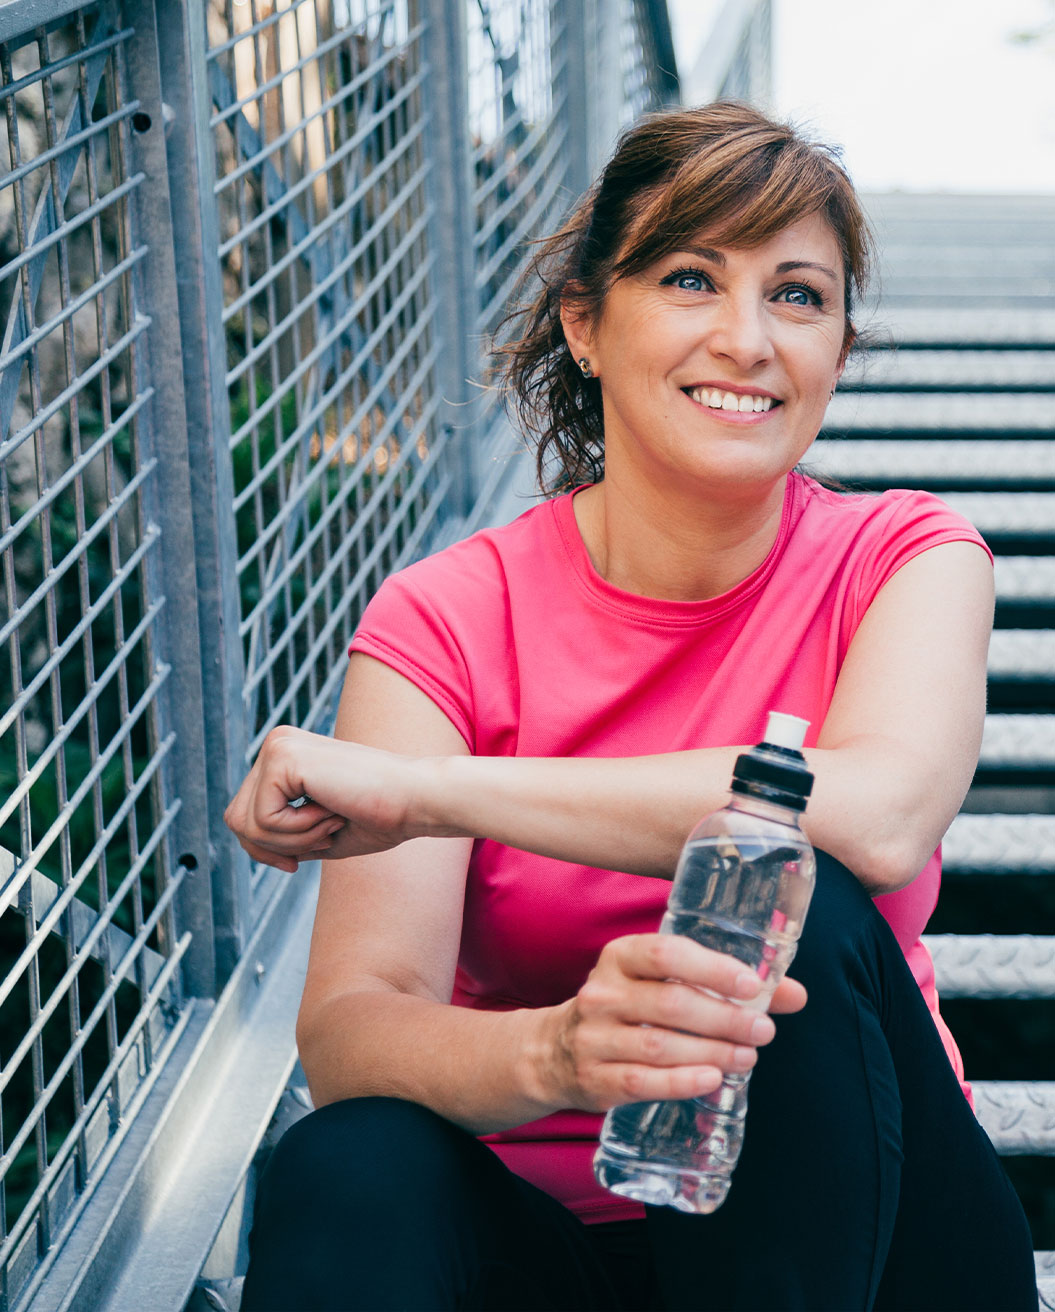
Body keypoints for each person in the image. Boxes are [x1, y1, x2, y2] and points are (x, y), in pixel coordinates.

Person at [225, 104, 1038, 1310]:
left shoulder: (907, 555)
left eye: (798, 295)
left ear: (837, 350)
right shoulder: (449, 613)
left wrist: (429, 790)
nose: (747, 338)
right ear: (585, 323)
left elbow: (872, 815)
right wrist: (550, 1051)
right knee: (345, 1159)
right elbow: (350, 1034)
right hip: (555, 1238)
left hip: (876, 1237)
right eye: (689, 277)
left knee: (786, 902)